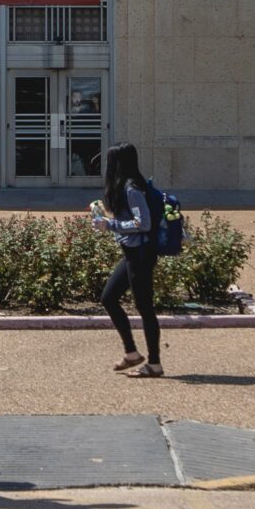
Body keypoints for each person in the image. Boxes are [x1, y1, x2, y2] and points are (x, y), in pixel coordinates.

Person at [92, 142, 164, 377]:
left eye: (109, 160)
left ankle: (154, 364)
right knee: (109, 298)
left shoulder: (131, 189)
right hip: (132, 253)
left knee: (145, 308)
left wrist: (110, 224)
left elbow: (144, 223)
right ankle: (132, 353)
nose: (106, 165)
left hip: (141, 255)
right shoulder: (126, 186)